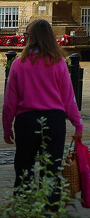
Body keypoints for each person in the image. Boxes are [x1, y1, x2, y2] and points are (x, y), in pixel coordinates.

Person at [2, 19, 83, 207]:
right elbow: (68, 97)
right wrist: (77, 123)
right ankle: (50, 209)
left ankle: (24, 207)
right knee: (52, 170)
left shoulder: (18, 65)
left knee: (24, 169)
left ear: (30, 38)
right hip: (54, 121)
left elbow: (9, 103)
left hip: (26, 121)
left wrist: (7, 128)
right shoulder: (59, 63)